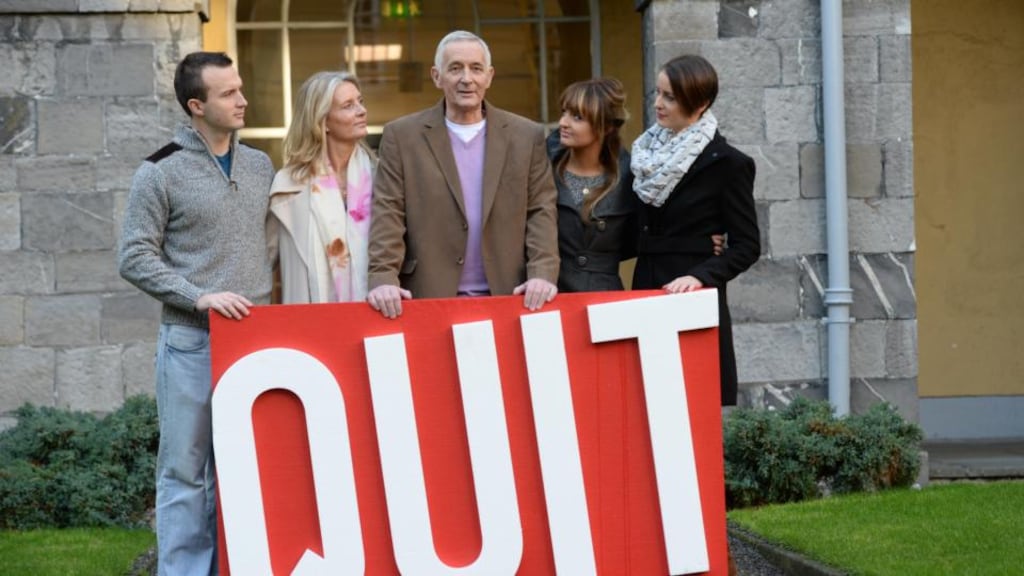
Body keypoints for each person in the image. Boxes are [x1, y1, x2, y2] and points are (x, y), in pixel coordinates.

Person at [118, 52, 274, 575]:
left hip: (254, 343)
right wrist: (197, 296)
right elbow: (134, 256)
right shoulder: (159, 171)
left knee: (250, 468)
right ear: (196, 105)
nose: (242, 100)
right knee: (186, 471)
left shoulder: (259, 165)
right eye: (228, 93)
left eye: (240, 88)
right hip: (191, 341)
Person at [366, 30, 559, 318]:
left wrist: (543, 273)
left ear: (489, 76)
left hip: (510, 295)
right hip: (427, 297)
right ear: (436, 76)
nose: (466, 78)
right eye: (455, 68)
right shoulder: (402, 136)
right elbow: (388, 211)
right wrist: (383, 278)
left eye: (476, 68)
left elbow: (541, 209)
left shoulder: (525, 135)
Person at [630, 54, 760, 407]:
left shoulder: (730, 164)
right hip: (645, 289)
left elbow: (747, 246)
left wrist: (700, 275)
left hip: (693, 297)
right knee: (646, 403)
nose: (658, 104)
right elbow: (633, 229)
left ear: (700, 103)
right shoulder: (644, 156)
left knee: (694, 405)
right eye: (657, 93)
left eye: (669, 97)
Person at [267, 71, 374, 303]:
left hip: (376, 319)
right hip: (308, 323)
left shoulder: (382, 178)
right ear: (322, 121)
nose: (361, 111)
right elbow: (262, 266)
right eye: (348, 105)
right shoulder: (287, 186)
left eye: (360, 101)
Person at [547, 77, 637, 292]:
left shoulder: (629, 179)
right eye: (564, 112)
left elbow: (641, 237)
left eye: (577, 117)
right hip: (548, 294)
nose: (563, 123)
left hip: (603, 299)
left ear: (605, 127)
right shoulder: (543, 167)